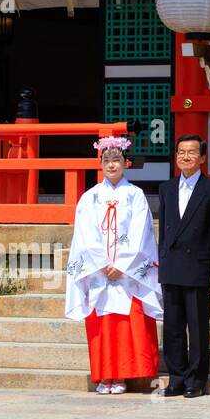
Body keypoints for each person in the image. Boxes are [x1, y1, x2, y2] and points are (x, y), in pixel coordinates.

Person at [65, 136, 162, 394]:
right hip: (98, 271)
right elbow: (85, 234)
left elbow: (142, 232)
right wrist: (102, 264)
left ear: (125, 163)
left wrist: (122, 264)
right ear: (100, 164)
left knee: (125, 322)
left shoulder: (135, 195)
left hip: (127, 273)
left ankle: (122, 375)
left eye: (116, 159)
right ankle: (104, 375)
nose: (111, 164)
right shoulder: (90, 198)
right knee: (103, 323)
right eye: (106, 160)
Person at [157, 134, 210, 398]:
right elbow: (163, 230)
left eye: (192, 152)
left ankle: (196, 379)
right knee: (172, 326)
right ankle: (176, 376)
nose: (185, 156)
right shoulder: (166, 188)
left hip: (198, 265)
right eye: (181, 152)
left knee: (197, 327)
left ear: (203, 158)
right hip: (172, 265)